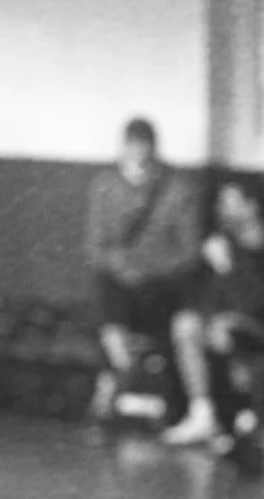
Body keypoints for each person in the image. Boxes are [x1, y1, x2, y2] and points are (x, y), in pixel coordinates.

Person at [163, 181, 264, 450]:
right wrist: (211, 315)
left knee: (228, 334)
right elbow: (209, 296)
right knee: (185, 324)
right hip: (224, 321)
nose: (223, 211)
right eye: (221, 204)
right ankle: (202, 413)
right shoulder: (224, 242)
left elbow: (260, 303)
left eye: (230, 203)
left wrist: (227, 268)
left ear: (252, 206)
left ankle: (243, 418)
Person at [84, 118, 202, 417]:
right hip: (119, 281)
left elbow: (188, 251)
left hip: (161, 283)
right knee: (106, 289)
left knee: (118, 300)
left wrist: (147, 267)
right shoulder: (104, 187)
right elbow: (95, 246)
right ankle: (125, 365)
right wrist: (121, 264)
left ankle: (121, 379)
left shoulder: (178, 189)